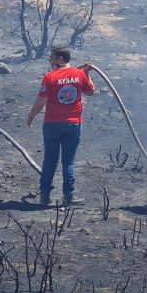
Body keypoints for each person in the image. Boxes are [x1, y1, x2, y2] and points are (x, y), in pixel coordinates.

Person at [27, 46, 95, 207]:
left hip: (52, 125)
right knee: (68, 161)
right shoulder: (79, 74)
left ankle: (44, 197)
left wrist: (31, 116)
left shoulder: (49, 77)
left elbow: (40, 102)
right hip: (73, 125)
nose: (49, 60)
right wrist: (87, 73)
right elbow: (91, 91)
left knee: (50, 160)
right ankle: (68, 197)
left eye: (51, 57)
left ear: (60, 59)